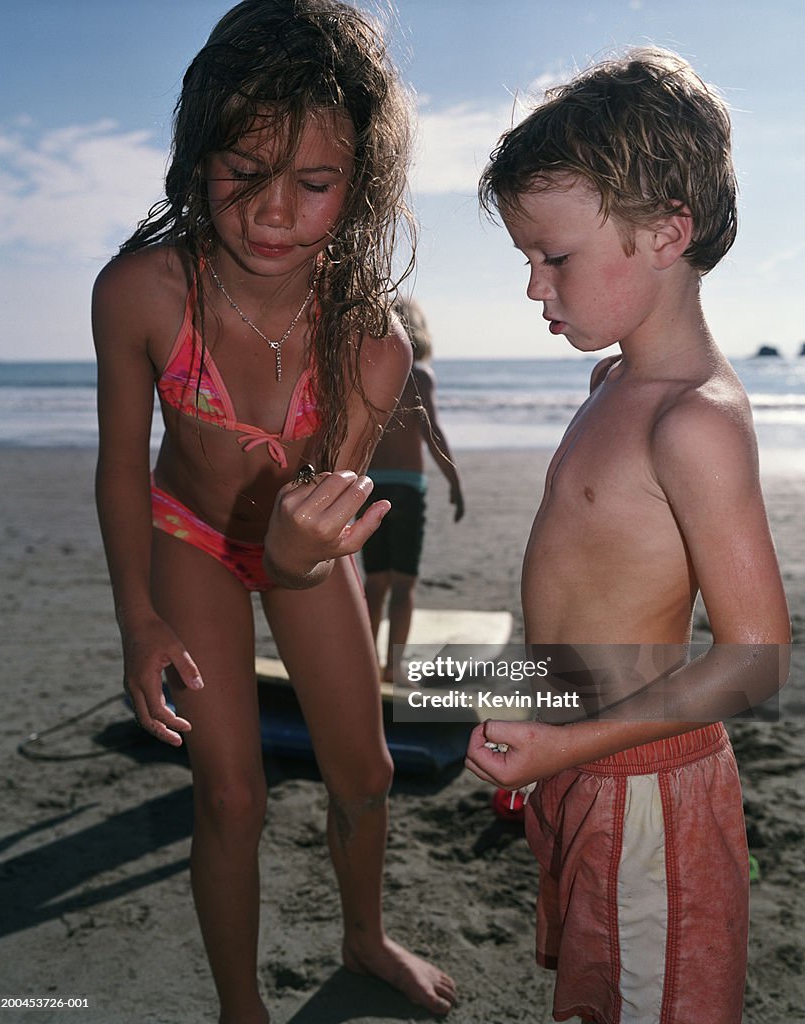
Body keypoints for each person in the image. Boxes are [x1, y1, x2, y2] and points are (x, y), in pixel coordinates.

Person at [91, 2, 456, 1021]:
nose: (272, 211)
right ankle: (241, 1006)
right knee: (231, 795)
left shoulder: (372, 346)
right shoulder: (140, 294)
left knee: (367, 770)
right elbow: (123, 468)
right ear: (196, 152)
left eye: (315, 182)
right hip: (187, 540)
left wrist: (296, 558)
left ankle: (365, 933)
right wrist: (139, 617)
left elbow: (323, 520)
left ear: (363, 184)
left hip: (302, 547)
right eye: (243, 172)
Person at [465, 48, 790, 1024]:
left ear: (665, 232)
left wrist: (577, 747)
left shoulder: (691, 421)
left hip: (642, 785)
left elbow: (758, 659)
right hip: (574, 766)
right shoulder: (610, 384)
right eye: (526, 258)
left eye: (552, 257)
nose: (533, 287)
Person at [361, 296, 464, 684]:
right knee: (403, 585)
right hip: (407, 490)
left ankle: (367, 664)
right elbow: (432, 433)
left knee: (375, 582)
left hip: (369, 486)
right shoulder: (419, 375)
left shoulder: (369, 370)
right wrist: (454, 482)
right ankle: (393, 667)